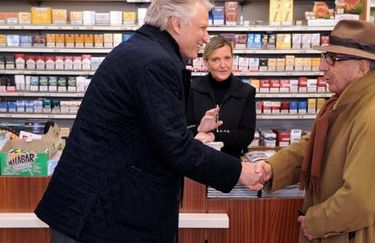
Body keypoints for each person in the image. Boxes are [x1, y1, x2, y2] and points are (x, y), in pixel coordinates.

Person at [35, 1, 263, 242]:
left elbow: (149, 132)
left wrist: (190, 137)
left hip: (94, 209)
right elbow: (175, 147)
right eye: (203, 28)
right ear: (177, 24)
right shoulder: (156, 62)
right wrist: (239, 171)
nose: (206, 38)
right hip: (97, 217)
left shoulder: (142, 50)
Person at [256, 20, 375, 243]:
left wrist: (315, 222)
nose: (323, 66)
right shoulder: (351, 103)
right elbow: (318, 144)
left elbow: (361, 200)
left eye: (333, 59)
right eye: (325, 57)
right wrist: (271, 168)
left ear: (362, 66)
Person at [187, 36, 256, 158]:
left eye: (227, 58)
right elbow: (184, 128)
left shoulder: (246, 92)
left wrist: (214, 136)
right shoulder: (192, 88)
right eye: (215, 60)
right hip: (198, 159)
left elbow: (246, 135)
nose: (223, 65)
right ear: (206, 61)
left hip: (232, 160)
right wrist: (199, 129)